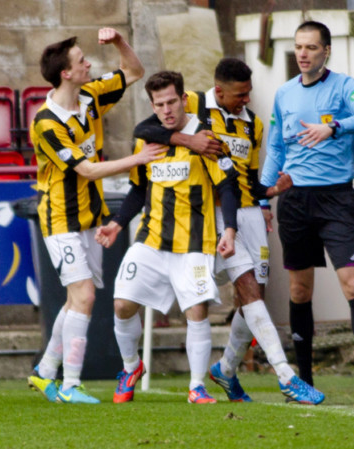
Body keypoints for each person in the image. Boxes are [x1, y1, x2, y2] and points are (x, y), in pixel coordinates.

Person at [133, 58, 324, 405]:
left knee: (253, 298)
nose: (246, 100)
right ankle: (285, 375)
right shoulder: (192, 104)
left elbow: (248, 178)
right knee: (247, 289)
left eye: (248, 94)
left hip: (250, 214)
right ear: (219, 91)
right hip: (215, 213)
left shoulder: (255, 125)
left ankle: (226, 370)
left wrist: (271, 192)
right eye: (239, 95)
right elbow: (145, 129)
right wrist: (187, 142)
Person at [26, 29, 163, 405]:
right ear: (66, 74)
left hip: (89, 217)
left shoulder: (90, 96)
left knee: (75, 301)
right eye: (81, 60)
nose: (89, 64)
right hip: (59, 220)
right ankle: (70, 384)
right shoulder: (46, 123)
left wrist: (120, 41)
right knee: (84, 296)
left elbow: (134, 71)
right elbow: (84, 170)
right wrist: (137, 159)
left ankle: (44, 372)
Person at [261, 21, 354, 403]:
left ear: (327, 52)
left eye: (312, 48)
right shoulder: (284, 94)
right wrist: (261, 198)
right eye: (299, 47)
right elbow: (276, 151)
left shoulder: (345, 87)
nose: (303, 54)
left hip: (336, 201)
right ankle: (304, 380)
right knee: (300, 291)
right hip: (295, 203)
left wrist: (333, 128)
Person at [96, 70, 240, 404]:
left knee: (196, 311)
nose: (167, 109)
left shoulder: (205, 138)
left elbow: (226, 187)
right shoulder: (147, 139)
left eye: (172, 101)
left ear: (184, 99)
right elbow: (138, 188)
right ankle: (131, 366)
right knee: (121, 303)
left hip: (194, 242)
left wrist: (229, 230)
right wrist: (117, 223)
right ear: (152, 105)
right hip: (151, 240)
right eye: (159, 104)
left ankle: (196, 386)